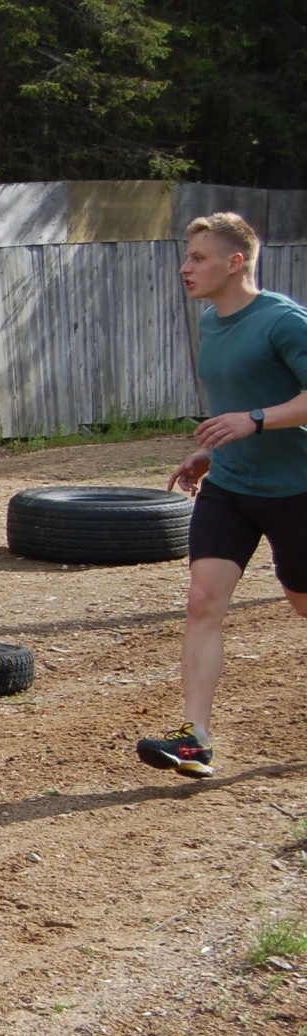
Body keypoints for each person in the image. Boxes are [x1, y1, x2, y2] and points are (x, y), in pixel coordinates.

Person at [139, 213, 307, 778]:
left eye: (198, 258)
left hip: (297, 490)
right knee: (203, 602)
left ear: (235, 263)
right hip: (230, 488)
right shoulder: (212, 321)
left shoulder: (284, 321)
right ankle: (195, 739)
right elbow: (241, 401)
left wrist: (255, 421)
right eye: (187, 258)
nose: (186, 268)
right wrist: (213, 450)